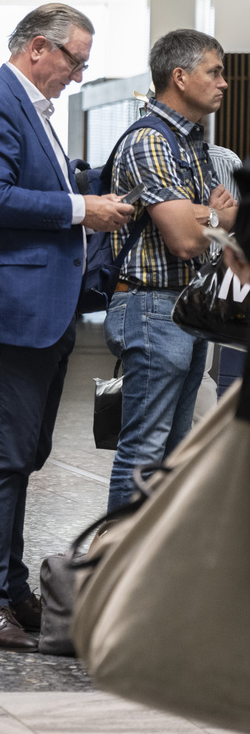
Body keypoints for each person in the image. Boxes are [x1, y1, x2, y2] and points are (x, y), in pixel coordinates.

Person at [0, 3, 132, 651]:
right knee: (2, 455)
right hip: (13, 308)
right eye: (75, 60)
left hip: (42, 307)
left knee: (24, 453)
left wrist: (91, 191)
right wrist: (82, 207)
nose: (77, 75)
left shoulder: (29, 107)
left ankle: (10, 584)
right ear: (39, 49)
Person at [105, 29, 235, 510]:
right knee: (145, 450)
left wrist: (205, 216)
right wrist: (221, 215)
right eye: (214, 72)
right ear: (179, 77)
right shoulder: (151, 142)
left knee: (174, 452)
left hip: (179, 308)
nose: (224, 83)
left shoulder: (188, 145)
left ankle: (151, 569)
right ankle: (117, 570)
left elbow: (201, 223)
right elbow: (184, 236)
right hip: (152, 306)